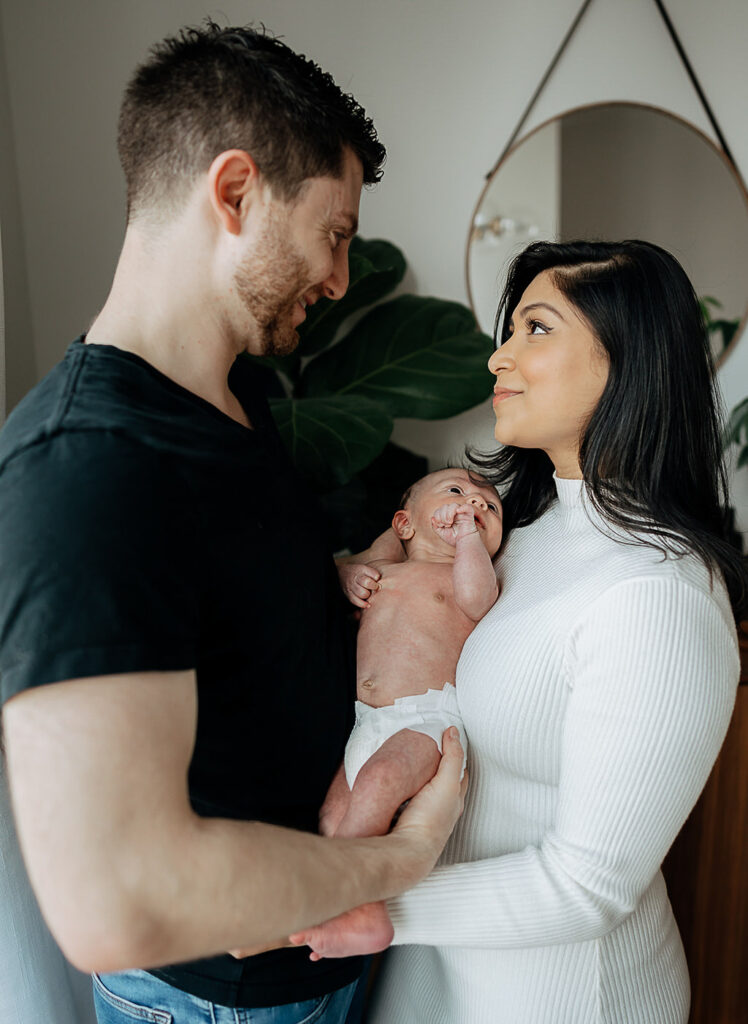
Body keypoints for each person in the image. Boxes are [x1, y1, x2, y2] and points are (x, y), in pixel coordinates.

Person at [0, 22, 466, 1024]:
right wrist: (401, 854)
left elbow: (228, 603)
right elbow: (118, 899)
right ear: (235, 191)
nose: (341, 278)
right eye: (333, 232)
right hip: (223, 1003)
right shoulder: (85, 466)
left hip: (308, 960)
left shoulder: (233, 393)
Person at [299, 240, 747, 1023]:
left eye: (535, 329)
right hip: (432, 968)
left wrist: (368, 906)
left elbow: (590, 886)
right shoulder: (521, 536)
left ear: (629, 361)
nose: (497, 357)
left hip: (558, 993)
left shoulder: (659, 595)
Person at [291, 468, 502, 960]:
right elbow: (345, 575)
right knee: (334, 813)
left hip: (428, 719)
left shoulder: (459, 579)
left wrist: (468, 537)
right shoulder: (386, 571)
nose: (473, 502)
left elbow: (479, 597)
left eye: (490, 508)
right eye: (456, 491)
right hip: (369, 723)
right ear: (405, 525)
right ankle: (348, 904)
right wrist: (348, 577)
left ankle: (354, 906)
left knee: (381, 783)